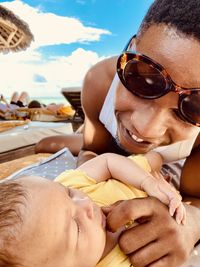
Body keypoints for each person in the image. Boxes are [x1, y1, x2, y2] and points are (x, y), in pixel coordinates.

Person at [35, 1, 200, 266]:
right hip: (113, 146)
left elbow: (196, 196)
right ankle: (70, 139)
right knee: (68, 146)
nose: (147, 128)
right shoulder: (99, 82)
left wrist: (191, 225)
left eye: (194, 107)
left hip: (167, 157)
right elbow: (95, 154)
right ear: (131, 47)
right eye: (144, 78)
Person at [0, 151, 184, 266]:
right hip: (178, 200)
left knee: (158, 156)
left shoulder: (66, 186)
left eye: (68, 194)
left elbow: (106, 162)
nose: (86, 203)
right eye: (76, 227)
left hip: (141, 171)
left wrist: (147, 182)